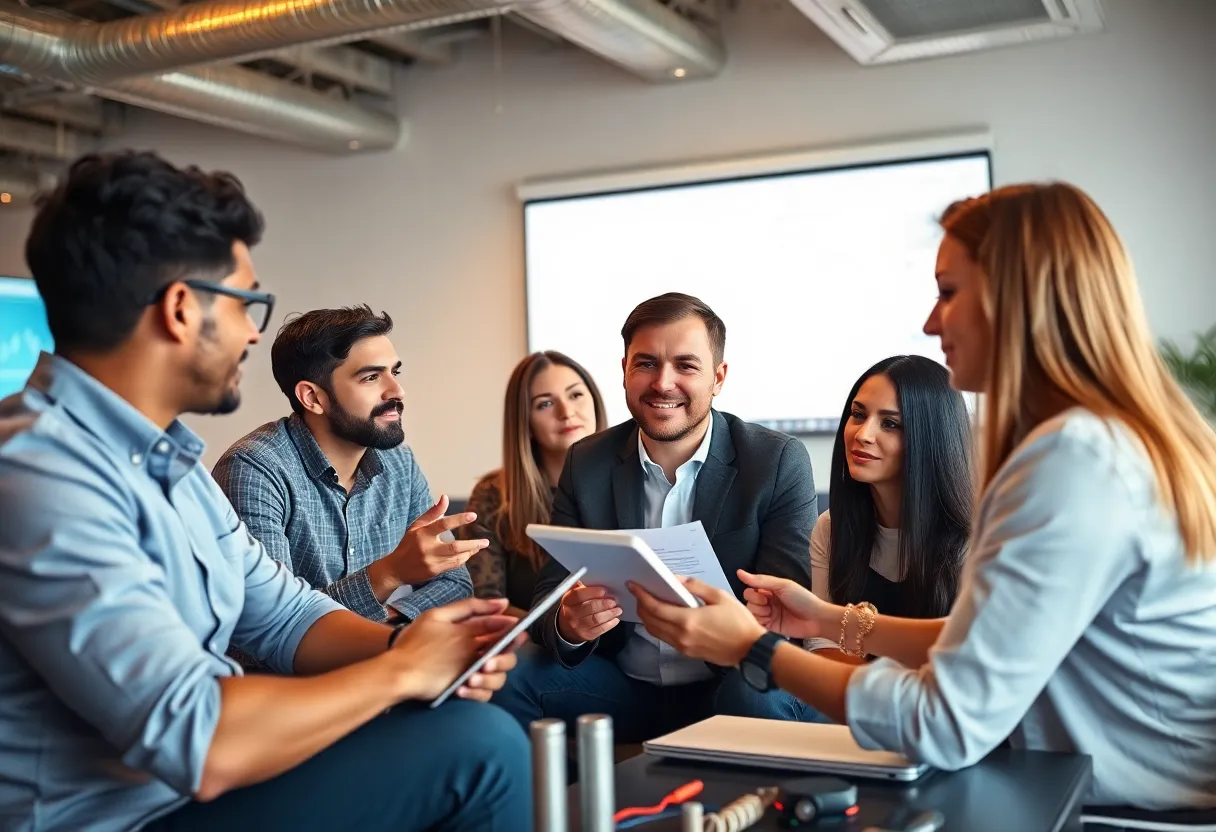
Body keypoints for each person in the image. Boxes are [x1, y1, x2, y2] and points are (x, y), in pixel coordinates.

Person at [627, 183, 1216, 810]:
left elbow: (944, 722)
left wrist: (752, 647)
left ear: (1016, 297)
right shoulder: (1110, 442)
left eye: (949, 292)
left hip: (1124, 812)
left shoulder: (1071, 461)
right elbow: (978, 639)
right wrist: (824, 619)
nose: (932, 321)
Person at [0, 150, 531, 831]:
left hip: (195, 793)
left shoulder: (170, 461)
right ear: (182, 309)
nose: (255, 329)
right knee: (476, 749)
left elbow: (282, 616)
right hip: (125, 818)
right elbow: (198, 739)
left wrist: (413, 647)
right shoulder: (39, 474)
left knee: (464, 721)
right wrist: (402, 672)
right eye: (248, 302)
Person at [492, 292, 819, 741]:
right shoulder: (586, 462)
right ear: (624, 369)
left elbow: (789, 618)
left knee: (758, 691)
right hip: (621, 688)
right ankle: (523, 809)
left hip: (727, 683)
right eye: (646, 363)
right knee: (511, 673)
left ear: (718, 377)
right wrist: (568, 622)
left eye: (686, 365)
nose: (663, 383)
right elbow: (552, 589)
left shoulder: (777, 460)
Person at [213, 306, 474, 626]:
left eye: (395, 372)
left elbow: (455, 584)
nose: (397, 391)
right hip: (292, 676)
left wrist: (387, 620)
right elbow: (269, 623)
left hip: (386, 658)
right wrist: (390, 573)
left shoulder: (399, 462)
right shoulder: (254, 470)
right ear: (312, 398)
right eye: (371, 377)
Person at [806, 354, 972, 659]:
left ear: (931, 438)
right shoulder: (831, 527)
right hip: (846, 701)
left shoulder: (976, 540)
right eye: (858, 414)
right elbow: (822, 645)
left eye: (890, 423)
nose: (863, 435)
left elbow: (961, 666)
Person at [463, 350, 608, 618]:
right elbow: (485, 605)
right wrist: (557, 628)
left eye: (575, 395)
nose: (567, 412)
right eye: (545, 404)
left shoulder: (634, 480)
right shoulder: (492, 494)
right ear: (525, 423)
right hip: (530, 646)